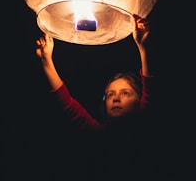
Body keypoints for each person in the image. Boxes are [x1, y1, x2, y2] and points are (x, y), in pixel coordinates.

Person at [35, 14, 160, 180]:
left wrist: (144, 47)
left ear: (140, 99)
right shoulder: (100, 137)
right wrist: (46, 61)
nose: (115, 98)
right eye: (110, 94)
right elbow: (70, 108)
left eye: (125, 93)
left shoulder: (147, 130)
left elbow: (151, 89)